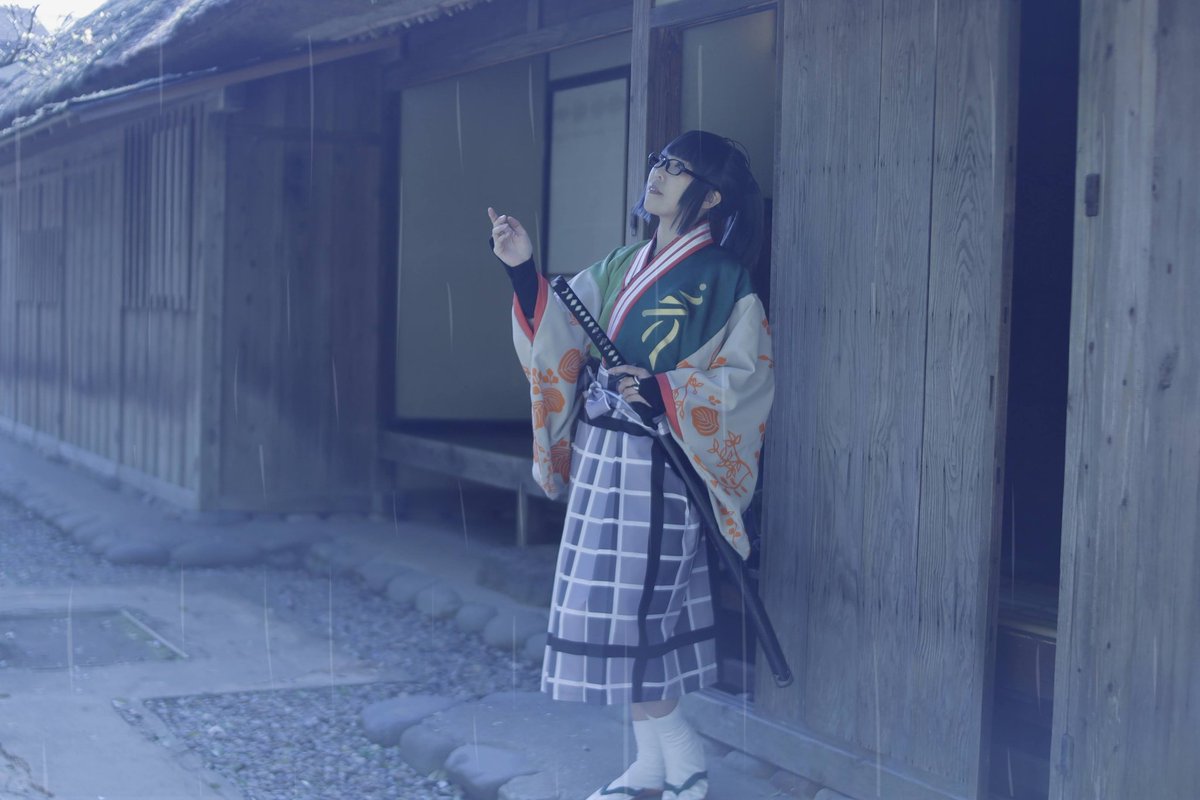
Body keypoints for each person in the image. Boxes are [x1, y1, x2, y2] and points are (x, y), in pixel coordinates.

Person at [489, 130, 774, 800]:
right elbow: (559, 333)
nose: (660, 174)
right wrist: (522, 269)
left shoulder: (725, 281)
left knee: (634, 618)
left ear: (711, 198)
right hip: (603, 454)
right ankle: (654, 767)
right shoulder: (622, 263)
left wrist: (666, 389)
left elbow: (747, 382)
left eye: (679, 169)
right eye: (659, 163)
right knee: (623, 613)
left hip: (662, 460)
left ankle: (686, 760)